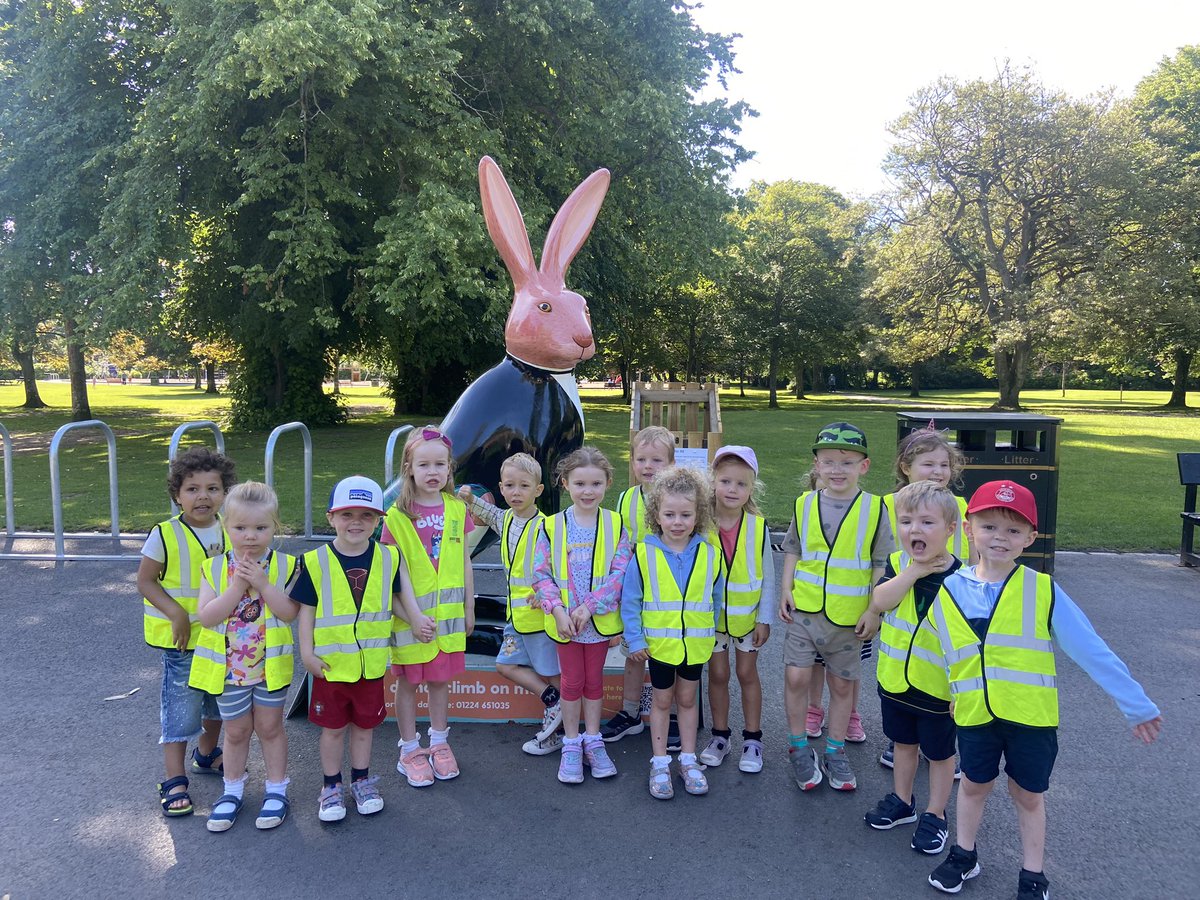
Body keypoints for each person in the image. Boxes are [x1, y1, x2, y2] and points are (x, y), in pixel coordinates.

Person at [925, 481, 1163, 899]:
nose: (1000, 537)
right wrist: (947, 695)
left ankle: (1032, 873)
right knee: (974, 785)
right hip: (974, 716)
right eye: (989, 526)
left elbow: (1091, 650)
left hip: (1030, 719)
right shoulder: (948, 591)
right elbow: (947, 653)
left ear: (1031, 538)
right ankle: (964, 854)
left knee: (1028, 794)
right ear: (968, 528)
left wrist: (1136, 705)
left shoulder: (1043, 590)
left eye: (1014, 531)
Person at [294, 476, 426, 822]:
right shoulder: (315, 561)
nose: (356, 522)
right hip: (331, 666)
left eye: (366, 516)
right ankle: (331, 786)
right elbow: (306, 611)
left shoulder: (388, 558)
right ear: (331, 517)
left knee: (365, 728)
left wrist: (413, 620)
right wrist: (306, 653)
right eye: (347, 514)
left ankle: (362, 781)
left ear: (378, 520)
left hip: (370, 666)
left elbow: (393, 601)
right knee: (333, 729)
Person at [780, 422, 893, 792]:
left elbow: (880, 563)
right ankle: (799, 747)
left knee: (843, 684)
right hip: (805, 609)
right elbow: (793, 548)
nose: (836, 469)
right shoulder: (804, 502)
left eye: (847, 462)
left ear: (864, 465)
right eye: (828, 461)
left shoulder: (875, 509)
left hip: (849, 615)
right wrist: (785, 589)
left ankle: (835, 749)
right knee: (796, 676)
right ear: (816, 464)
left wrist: (874, 609)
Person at [856, 481, 961, 856]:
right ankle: (902, 801)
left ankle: (936, 813)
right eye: (906, 522)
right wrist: (914, 572)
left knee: (940, 754)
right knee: (903, 744)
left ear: (951, 529)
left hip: (938, 691)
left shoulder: (962, 580)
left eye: (927, 523)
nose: (915, 530)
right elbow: (880, 600)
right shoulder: (900, 565)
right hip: (896, 682)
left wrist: (962, 691)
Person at [189, 482, 300, 832]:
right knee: (236, 732)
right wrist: (237, 586)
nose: (250, 536)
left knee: (270, 728)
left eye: (261, 528)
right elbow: (206, 617)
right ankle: (232, 790)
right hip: (229, 671)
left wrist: (264, 585)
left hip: (270, 668)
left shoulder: (286, 565)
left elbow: (288, 613)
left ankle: (276, 790)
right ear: (226, 526)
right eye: (240, 528)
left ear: (275, 527)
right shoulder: (213, 568)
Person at [136, 446, 237, 818]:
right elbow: (146, 582)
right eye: (193, 489)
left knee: (217, 705)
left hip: (222, 639)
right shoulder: (164, 534)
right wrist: (175, 612)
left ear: (224, 493)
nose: (203, 496)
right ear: (177, 494)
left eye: (213, 488)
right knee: (181, 711)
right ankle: (174, 779)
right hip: (182, 644)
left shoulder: (232, 530)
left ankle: (207, 754)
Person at [621, 466, 723, 799]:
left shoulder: (710, 553)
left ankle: (689, 760)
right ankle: (661, 761)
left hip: (695, 645)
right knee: (663, 701)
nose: (677, 521)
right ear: (656, 515)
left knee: (688, 700)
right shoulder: (644, 554)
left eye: (685, 514)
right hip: (659, 647)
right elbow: (631, 600)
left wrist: (710, 631)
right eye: (669, 514)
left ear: (699, 515)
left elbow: (715, 597)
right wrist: (634, 639)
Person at [532, 447, 631, 784]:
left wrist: (588, 608)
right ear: (565, 483)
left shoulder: (616, 525)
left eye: (596, 484)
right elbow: (541, 574)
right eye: (580, 483)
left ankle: (593, 739)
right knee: (572, 682)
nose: (588, 491)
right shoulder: (551, 526)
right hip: (566, 625)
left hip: (595, 622)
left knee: (594, 682)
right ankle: (571, 744)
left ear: (607, 484)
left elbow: (619, 575)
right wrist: (558, 611)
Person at [879, 426, 976, 770]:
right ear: (906, 466)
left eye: (944, 465)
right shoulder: (887, 507)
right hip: (903, 597)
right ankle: (900, 742)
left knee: (947, 676)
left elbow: (974, 555)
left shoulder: (962, 508)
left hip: (949, 600)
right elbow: (879, 561)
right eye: (928, 464)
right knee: (902, 670)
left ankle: (946, 747)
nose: (938, 472)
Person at [383, 426, 475, 786]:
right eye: (424, 465)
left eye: (440, 464)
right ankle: (409, 749)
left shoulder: (456, 509)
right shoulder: (396, 516)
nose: (433, 472)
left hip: (447, 623)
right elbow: (393, 575)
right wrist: (411, 617)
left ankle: (439, 743)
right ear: (409, 468)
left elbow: (464, 560)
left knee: (440, 682)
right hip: (409, 623)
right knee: (408, 686)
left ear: (450, 469)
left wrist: (470, 605)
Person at [458, 453, 563, 756]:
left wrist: (548, 591)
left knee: (551, 670)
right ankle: (552, 700)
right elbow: (486, 510)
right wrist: (467, 496)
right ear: (502, 489)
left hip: (540, 616)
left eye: (524, 486)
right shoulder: (505, 519)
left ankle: (563, 727)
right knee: (505, 665)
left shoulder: (549, 526)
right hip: (516, 618)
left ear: (538, 490)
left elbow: (559, 563)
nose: (516, 492)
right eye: (510, 486)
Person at [700, 445, 775, 774]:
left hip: (747, 620)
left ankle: (753, 739)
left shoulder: (758, 528)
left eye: (741, 484)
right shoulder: (700, 524)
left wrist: (765, 617)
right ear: (712, 482)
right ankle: (720, 736)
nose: (732, 490)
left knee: (746, 674)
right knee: (717, 674)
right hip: (711, 621)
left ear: (751, 488)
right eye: (726, 481)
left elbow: (769, 578)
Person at [603, 425, 675, 744]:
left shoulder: (679, 499)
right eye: (641, 459)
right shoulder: (626, 498)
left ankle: (671, 716)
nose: (648, 466)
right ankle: (630, 713)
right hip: (635, 593)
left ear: (671, 463)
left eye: (656, 460)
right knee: (634, 653)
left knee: (669, 657)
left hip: (671, 596)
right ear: (631, 462)